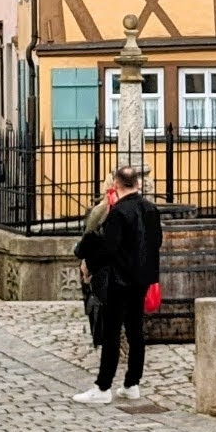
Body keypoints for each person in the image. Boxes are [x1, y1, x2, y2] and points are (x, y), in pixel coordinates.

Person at [74, 166, 162, 404]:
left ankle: (103, 388)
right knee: (136, 332)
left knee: (111, 333)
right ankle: (132, 383)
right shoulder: (151, 209)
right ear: (138, 184)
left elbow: (108, 248)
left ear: (116, 184)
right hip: (141, 279)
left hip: (119, 280)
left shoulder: (119, 212)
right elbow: (157, 242)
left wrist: (88, 264)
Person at [73, 178, 123, 349]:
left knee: (100, 301)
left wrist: (85, 263)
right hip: (115, 267)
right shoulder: (113, 209)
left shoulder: (101, 210)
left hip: (102, 267)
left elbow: (87, 240)